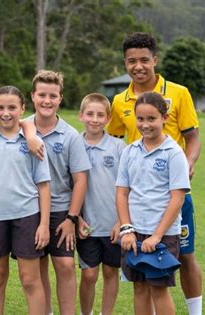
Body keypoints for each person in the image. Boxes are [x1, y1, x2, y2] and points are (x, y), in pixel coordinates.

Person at [106, 32, 203, 314]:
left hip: (172, 193)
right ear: (125, 63)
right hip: (138, 200)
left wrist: (188, 162)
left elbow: (193, 136)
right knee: (142, 270)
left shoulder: (178, 92)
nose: (138, 67)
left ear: (155, 60)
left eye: (144, 60)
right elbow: (113, 142)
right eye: (131, 61)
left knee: (184, 256)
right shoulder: (119, 101)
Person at [0, 85, 51, 315]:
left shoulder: (33, 142)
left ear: (22, 109)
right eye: (1, 108)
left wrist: (44, 225)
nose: (6, 113)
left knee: (30, 280)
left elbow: (44, 186)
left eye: (12, 108)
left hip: (27, 217)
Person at [116, 92, 191, 315]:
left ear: (164, 118)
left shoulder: (174, 153)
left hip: (163, 234)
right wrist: (127, 229)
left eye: (151, 119)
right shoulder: (130, 151)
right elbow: (122, 193)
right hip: (134, 233)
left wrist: (157, 236)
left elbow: (177, 198)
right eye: (140, 119)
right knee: (139, 288)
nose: (145, 125)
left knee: (158, 289)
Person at [28, 70, 91, 315]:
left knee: (65, 265)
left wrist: (71, 218)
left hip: (60, 210)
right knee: (38, 267)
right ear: (32, 96)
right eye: (41, 94)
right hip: (30, 209)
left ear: (60, 99)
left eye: (52, 96)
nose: (47, 100)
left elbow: (80, 180)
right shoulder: (22, 128)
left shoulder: (70, 135)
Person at [76, 93, 126, 315]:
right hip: (86, 225)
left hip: (113, 224)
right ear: (81, 116)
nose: (94, 119)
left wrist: (121, 222)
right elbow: (68, 186)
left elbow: (128, 189)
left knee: (110, 272)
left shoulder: (118, 147)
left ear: (108, 118)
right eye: (90, 114)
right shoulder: (74, 144)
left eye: (100, 115)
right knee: (89, 274)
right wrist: (76, 218)